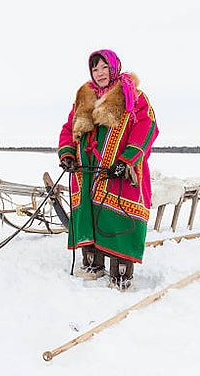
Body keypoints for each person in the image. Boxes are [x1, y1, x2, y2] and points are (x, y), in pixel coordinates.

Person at [57, 49, 158, 291]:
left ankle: (121, 272)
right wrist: (68, 153)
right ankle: (93, 264)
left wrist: (128, 160)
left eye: (104, 67)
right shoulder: (84, 98)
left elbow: (147, 126)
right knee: (90, 215)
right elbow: (68, 127)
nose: (99, 73)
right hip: (87, 172)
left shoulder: (133, 96)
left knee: (117, 218)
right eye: (95, 69)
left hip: (120, 171)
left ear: (114, 67)